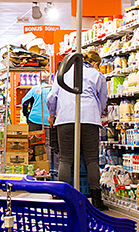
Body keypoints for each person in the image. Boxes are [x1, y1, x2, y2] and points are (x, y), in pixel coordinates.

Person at [47, 50, 109, 210]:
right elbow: (103, 97)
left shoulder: (63, 73)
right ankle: (96, 200)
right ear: (94, 63)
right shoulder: (96, 75)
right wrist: (98, 111)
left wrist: (52, 114)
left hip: (66, 118)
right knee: (92, 159)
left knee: (65, 159)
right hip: (89, 118)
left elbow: (51, 97)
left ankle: (62, 199)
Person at [21, 72, 57, 171]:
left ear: (39, 79)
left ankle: (34, 167)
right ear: (49, 79)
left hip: (34, 119)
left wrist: (26, 114)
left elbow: (24, 102)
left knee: (33, 142)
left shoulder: (35, 89)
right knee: (49, 144)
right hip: (50, 120)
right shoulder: (52, 89)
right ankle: (49, 167)